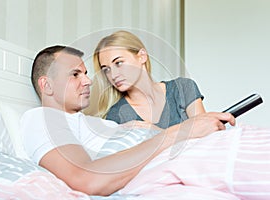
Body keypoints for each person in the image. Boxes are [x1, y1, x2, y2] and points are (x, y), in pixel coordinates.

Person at [20, 45, 236, 196]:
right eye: (75, 74)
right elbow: (86, 179)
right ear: (46, 85)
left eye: (85, 73)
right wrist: (181, 131)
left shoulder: (100, 123)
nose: (88, 81)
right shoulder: (42, 118)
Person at [84, 30, 205, 129]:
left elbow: (204, 131)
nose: (113, 75)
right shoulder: (116, 115)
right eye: (106, 69)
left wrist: (153, 131)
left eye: (119, 63)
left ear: (142, 56)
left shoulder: (183, 88)